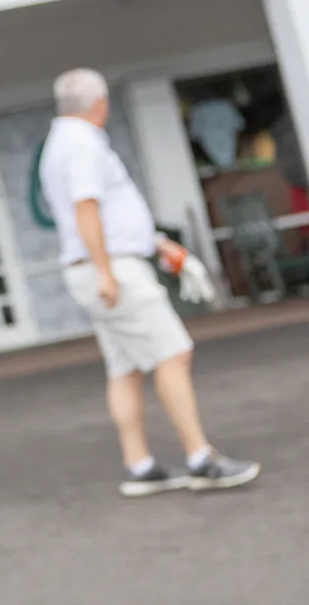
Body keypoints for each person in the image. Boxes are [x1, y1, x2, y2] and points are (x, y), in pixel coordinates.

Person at [39, 68, 259, 497]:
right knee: (174, 353)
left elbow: (102, 214)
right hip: (112, 269)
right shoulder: (82, 143)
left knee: (126, 367)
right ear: (98, 104)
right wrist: (106, 269)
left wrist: (156, 244)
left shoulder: (60, 143)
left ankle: (138, 464)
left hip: (99, 265)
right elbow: (87, 209)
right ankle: (201, 458)